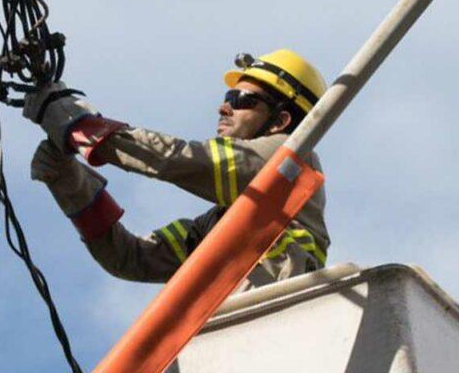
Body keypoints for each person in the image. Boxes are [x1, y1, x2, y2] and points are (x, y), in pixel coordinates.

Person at [24, 49, 330, 290]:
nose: (225, 107)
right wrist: (69, 180)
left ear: (279, 122)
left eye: (242, 100)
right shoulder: (225, 223)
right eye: (227, 98)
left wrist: (76, 125)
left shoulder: (291, 159)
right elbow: (132, 257)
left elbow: (176, 159)